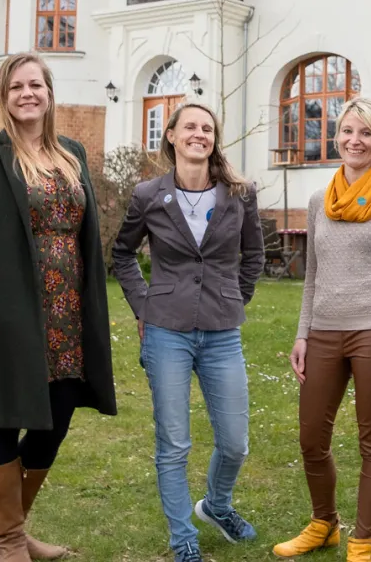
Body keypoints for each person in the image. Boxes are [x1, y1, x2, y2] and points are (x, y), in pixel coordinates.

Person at [0, 52, 116, 562]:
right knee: (5, 420)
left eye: (35, 84)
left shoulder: (72, 154)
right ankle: (12, 541)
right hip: (8, 313)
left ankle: (5, 529)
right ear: (4, 96)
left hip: (69, 313)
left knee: (55, 420)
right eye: (16, 87)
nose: (27, 94)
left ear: (49, 93)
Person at [112, 102, 264, 562]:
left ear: (214, 139)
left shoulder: (240, 194)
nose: (200, 134)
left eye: (207, 128)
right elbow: (122, 254)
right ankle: (184, 540)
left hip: (222, 331)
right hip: (166, 331)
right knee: (174, 443)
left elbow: (254, 255)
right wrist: (144, 306)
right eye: (191, 127)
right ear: (172, 136)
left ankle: (216, 505)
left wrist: (234, 297)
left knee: (235, 442)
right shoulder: (148, 195)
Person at [275, 97, 371, 562]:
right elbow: (313, 276)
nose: (355, 141)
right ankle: (324, 525)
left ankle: (362, 542)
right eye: (348, 131)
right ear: (336, 137)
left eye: (366, 133)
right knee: (311, 438)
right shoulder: (319, 201)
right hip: (323, 331)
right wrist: (302, 334)